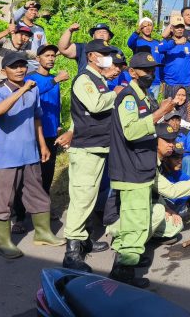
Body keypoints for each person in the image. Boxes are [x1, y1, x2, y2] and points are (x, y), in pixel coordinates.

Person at [107, 51, 176, 287]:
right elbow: (131, 131)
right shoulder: (129, 97)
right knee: (135, 223)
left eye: (152, 70)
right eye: (145, 70)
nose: (150, 74)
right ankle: (124, 273)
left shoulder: (144, 96)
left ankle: (124, 263)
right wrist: (160, 113)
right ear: (132, 72)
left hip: (142, 168)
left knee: (137, 220)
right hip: (132, 169)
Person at [0, 52, 65, 258]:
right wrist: (21, 90)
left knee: (38, 195)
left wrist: (43, 145)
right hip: (5, 158)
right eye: (14, 66)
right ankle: (3, 242)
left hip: (30, 154)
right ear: (3, 71)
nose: (20, 69)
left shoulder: (34, 90)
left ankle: (43, 233)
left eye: (22, 65)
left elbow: (37, 118)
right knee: (3, 201)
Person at [62, 39, 117, 272]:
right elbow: (95, 105)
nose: (108, 57)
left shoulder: (99, 79)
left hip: (98, 145)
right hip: (86, 148)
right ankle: (72, 252)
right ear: (92, 56)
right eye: (103, 53)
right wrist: (116, 93)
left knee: (91, 196)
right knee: (82, 198)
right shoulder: (84, 79)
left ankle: (84, 240)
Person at [12, 45, 69, 231]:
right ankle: (19, 217)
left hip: (51, 133)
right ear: (38, 59)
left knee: (47, 175)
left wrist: (58, 123)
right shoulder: (30, 79)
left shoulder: (54, 81)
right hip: (33, 134)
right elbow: (33, 92)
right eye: (47, 55)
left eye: (53, 55)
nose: (51, 59)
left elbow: (56, 104)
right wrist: (55, 80)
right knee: (25, 177)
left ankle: (43, 209)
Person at [157, 14, 190, 98]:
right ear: (172, 28)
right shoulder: (166, 41)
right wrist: (175, 43)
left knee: (187, 106)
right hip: (171, 83)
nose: (179, 29)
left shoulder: (189, 43)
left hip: (187, 84)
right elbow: (160, 49)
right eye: (177, 27)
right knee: (170, 106)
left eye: (181, 27)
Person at [12, 0, 47, 72]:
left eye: (36, 10)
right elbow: (13, 19)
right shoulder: (18, 25)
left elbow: (44, 46)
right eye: (31, 10)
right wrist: (24, 7)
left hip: (36, 64)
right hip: (20, 62)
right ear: (25, 12)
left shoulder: (40, 29)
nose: (34, 12)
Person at [163, 110, 190, 177]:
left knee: (188, 159)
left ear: (180, 121)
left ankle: (189, 181)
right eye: (171, 120)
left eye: (177, 120)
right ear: (165, 122)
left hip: (182, 159)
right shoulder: (161, 133)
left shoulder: (187, 132)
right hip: (167, 160)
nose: (175, 123)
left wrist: (178, 156)